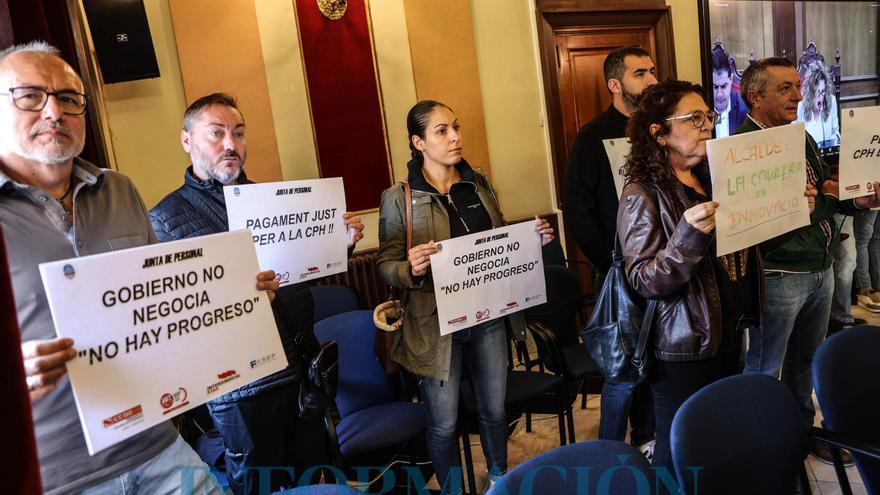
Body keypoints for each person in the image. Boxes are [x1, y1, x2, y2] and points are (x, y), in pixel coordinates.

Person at [0, 41, 253, 494]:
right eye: (30, 96)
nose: (54, 112)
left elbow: (165, 296)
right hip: (57, 475)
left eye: (70, 99)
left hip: (158, 446)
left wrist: (238, 294)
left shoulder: (117, 189)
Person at [149, 93, 365, 495]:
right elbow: (180, 317)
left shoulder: (272, 203)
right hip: (242, 387)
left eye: (239, 133)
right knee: (260, 486)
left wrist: (340, 244)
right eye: (216, 134)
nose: (231, 144)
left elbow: (300, 273)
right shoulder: (164, 219)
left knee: (311, 478)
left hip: (301, 363)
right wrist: (242, 298)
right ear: (186, 140)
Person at [376, 100, 554, 494]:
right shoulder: (399, 197)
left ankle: (497, 478)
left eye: (455, 126)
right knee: (443, 422)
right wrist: (409, 267)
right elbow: (385, 263)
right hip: (434, 326)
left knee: (493, 409)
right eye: (441, 131)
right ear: (418, 142)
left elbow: (501, 237)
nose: (455, 136)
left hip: (489, 316)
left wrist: (533, 240)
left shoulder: (479, 183)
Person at [617, 79, 773, 472]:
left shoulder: (715, 177)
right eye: (694, 117)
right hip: (682, 345)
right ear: (659, 133)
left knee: (717, 433)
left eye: (709, 115)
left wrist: (783, 207)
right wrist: (686, 237)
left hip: (729, 328)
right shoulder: (642, 193)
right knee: (678, 444)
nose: (708, 125)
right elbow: (644, 279)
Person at [737, 57, 880, 463]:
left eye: (798, 86)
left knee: (805, 362)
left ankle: (800, 434)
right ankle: (760, 450)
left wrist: (858, 201)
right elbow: (773, 219)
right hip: (779, 274)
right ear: (755, 95)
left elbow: (824, 191)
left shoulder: (800, 137)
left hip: (821, 267)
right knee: (766, 367)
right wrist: (829, 199)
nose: (798, 96)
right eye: (785, 88)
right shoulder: (743, 148)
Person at [562, 45, 657, 456]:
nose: (652, 80)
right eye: (641, 73)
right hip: (619, 271)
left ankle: (648, 439)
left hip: (661, 265)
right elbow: (578, 209)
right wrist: (611, 263)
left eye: (653, 70)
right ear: (615, 84)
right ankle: (609, 455)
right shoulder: (592, 135)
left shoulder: (659, 127)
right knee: (623, 370)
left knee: (656, 361)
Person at [797, 61, 840, 148]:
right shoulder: (800, 106)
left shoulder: (831, 101)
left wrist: (832, 141)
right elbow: (795, 138)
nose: (820, 97)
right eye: (817, 92)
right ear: (810, 91)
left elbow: (836, 133)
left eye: (822, 91)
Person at [711, 47, 748, 138]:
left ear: (731, 79)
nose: (719, 94)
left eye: (724, 86)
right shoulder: (701, 111)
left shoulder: (745, 109)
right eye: (715, 87)